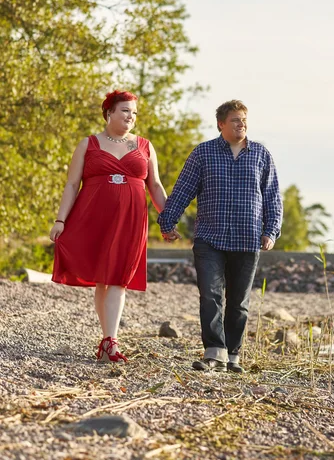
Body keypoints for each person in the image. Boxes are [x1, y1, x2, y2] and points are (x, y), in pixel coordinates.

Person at [158, 100, 283, 373]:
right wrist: (167, 222)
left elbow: (273, 197)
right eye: (236, 120)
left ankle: (233, 355)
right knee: (210, 295)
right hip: (209, 237)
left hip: (248, 238)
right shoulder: (203, 153)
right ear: (221, 124)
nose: (242, 125)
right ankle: (214, 353)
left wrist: (271, 231)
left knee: (239, 302)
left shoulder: (261, 155)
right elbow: (183, 191)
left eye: (244, 120)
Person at [50, 90, 173, 363]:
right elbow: (72, 185)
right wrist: (60, 220)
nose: (131, 117)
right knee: (103, 281)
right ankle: (107, 339)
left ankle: (110, 342)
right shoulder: (88, 144)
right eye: (125, 111)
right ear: (109, 113)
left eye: (134, 113)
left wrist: (168, 219)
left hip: (131, 219)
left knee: (119, 277)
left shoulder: (144, 145)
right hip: (92, 217)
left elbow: (155, 185)